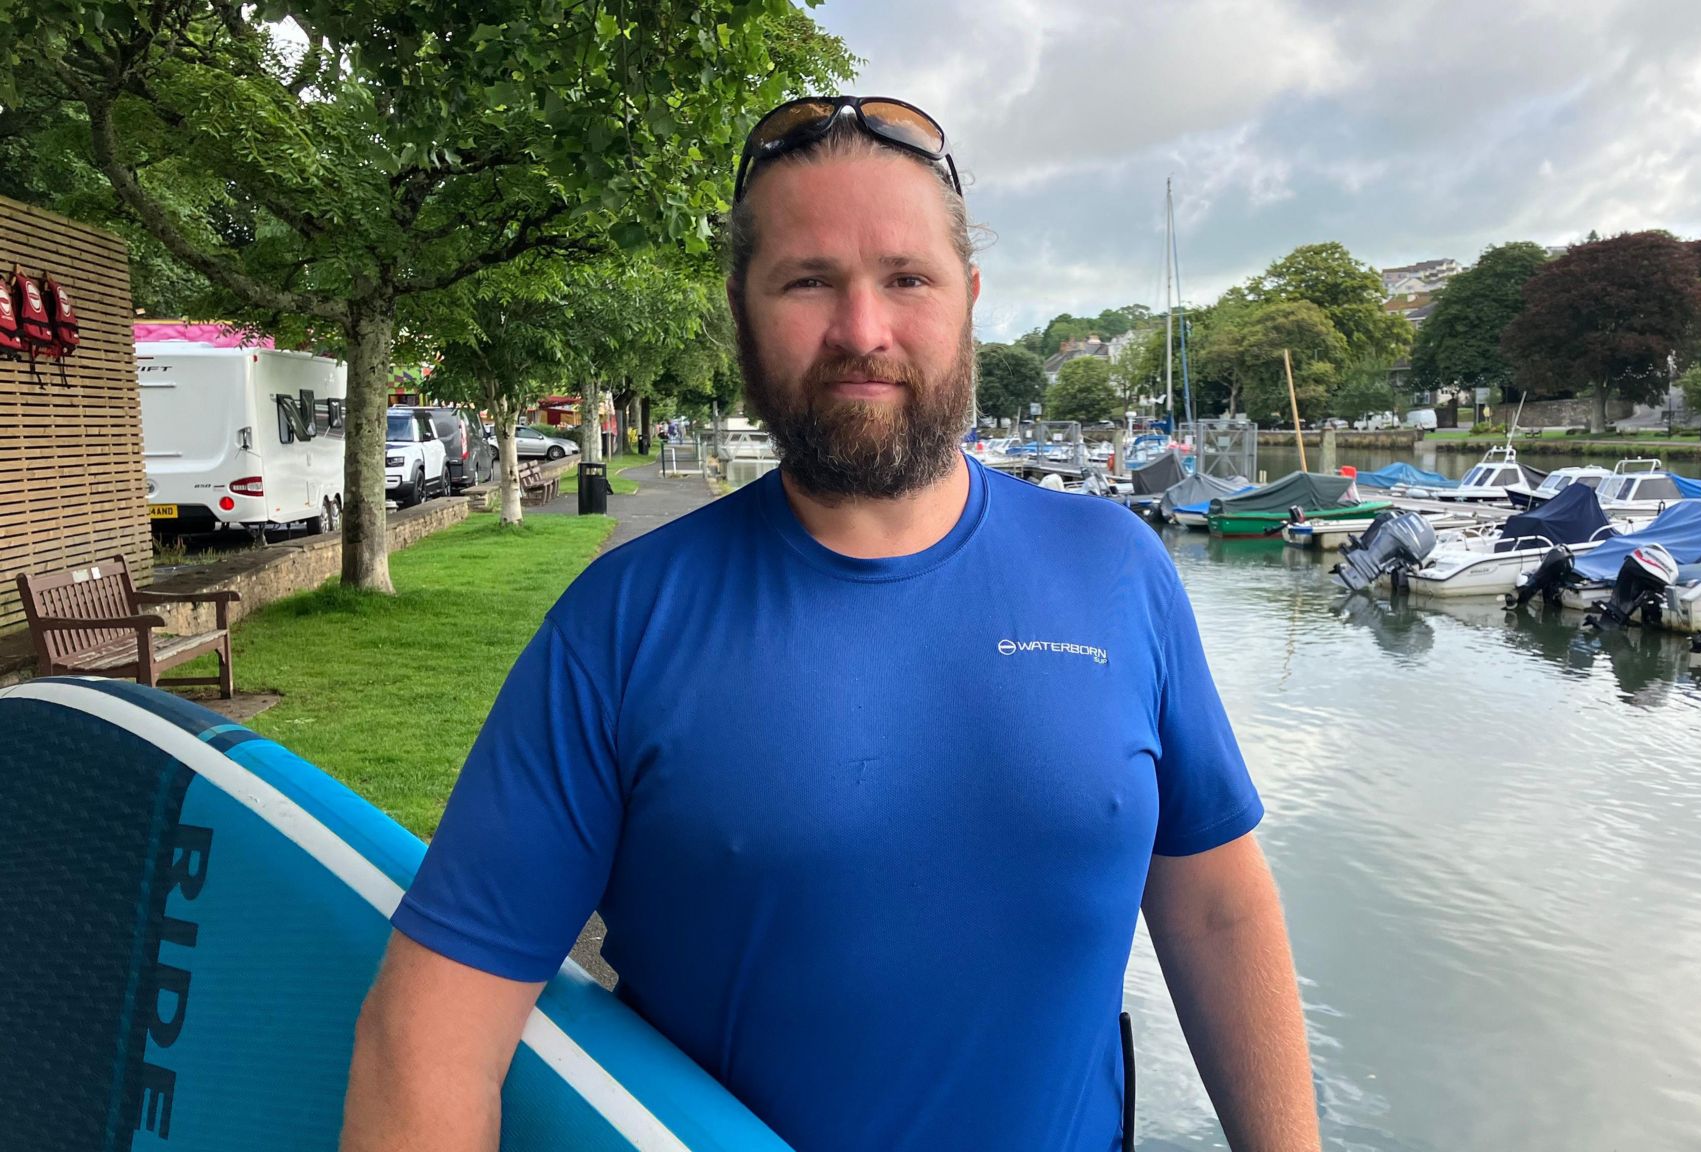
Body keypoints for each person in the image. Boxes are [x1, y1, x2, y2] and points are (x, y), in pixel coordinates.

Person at [341, 95, 1318, 1151]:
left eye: (906, 278)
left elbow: (1216, 911)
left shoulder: (1117, 569)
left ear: (968, 300)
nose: (863, 331)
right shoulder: (621, 626)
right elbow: (430, 1033)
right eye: (808, 281)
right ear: (742, 313)